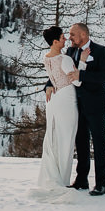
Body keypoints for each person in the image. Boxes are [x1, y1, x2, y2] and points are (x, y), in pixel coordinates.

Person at [36, 25, 88, 192]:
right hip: (66, 99)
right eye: (63, 37)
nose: (66, 39)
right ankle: (62, 179)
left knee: (54, 139)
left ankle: (53, 175)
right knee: (66, 139)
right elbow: (77, 81)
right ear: (55, 41)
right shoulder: (65, 59)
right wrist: (82, 62)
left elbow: (54, 77)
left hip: (54, 100)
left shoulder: (46, 58)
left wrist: (49, 86)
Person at [65, 22, 105, 196]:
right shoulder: (70, 52)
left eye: (72, 34)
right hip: (77, 105)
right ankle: (81, 180)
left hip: (96, 105)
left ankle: (101, 184)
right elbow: (65, 72)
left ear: (83, 35)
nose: (70, 37)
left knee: (99, 144)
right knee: (81, 143)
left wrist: (82, 75)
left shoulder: (100, 51)